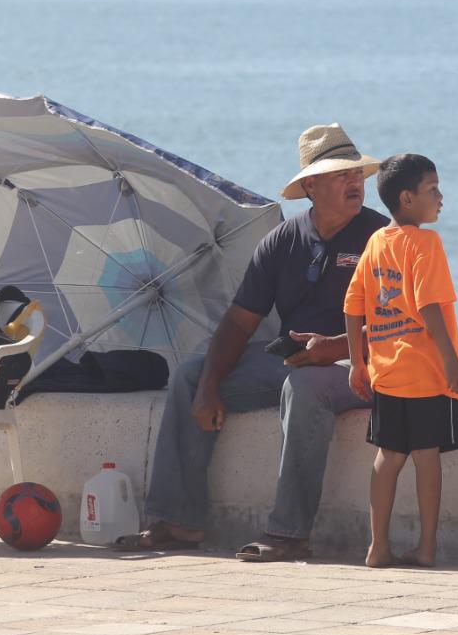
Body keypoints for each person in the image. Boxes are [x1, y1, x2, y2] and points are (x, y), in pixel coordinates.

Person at [119, 123, 388, 561]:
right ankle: (176, 521)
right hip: (296, 362)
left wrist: (335, 348)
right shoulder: (282, 239)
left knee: (306, 386)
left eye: (356, 173)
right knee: (190, 376)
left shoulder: (383, 238)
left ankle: (289, 533)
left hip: (360, 366)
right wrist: (209, 387)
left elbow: (396, 325)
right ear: (310, 186)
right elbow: (240, 322)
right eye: (341, 174)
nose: (354, 181)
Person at [344, 153, 458, 568]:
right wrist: (452, 361)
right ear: (407, 198)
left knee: (388, 456)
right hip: (427, 373)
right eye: (432, 190)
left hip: (387, 373)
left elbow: (353, 304)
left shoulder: (377, 241)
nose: (441, 197)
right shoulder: (426, 244)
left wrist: (357, 363)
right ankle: (426, 547)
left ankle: (377, 546)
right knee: (426, 456)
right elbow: (430, 305)